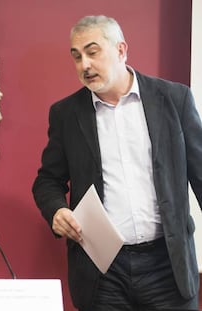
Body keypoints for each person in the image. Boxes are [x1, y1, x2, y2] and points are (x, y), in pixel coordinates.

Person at [32, 15, 201, 311]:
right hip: (103, 270)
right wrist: (57, 209)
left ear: (121, 50)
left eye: (92, 52)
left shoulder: (174, 99)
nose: (84, 64)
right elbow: (47, 181)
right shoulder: (66, 114)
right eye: (76, 56)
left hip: (168, 265)